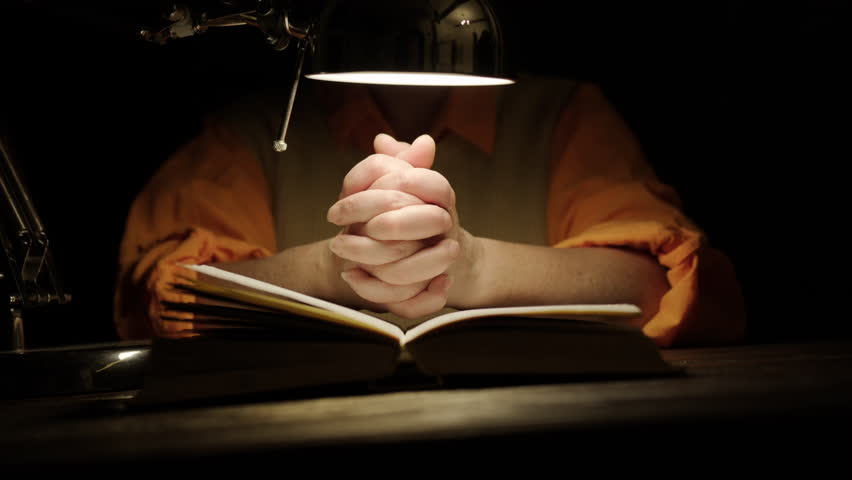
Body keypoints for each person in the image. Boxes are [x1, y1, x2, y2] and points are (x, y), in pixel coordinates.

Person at [114, 73, 746, 347]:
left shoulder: (562, 115)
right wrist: (338, 268)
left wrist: (466, 264)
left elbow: (665, 283)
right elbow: (165, 300)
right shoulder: (254, 130)